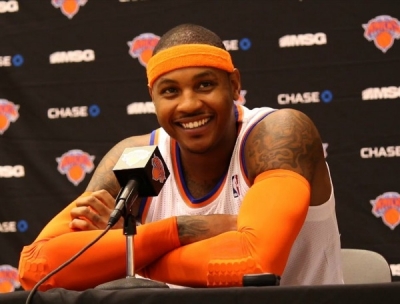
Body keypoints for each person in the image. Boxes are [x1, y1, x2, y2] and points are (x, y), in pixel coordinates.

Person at [18, 23, 343, 291]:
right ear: (153, 97)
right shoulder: (136, 156)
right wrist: (181, 230)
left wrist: (127, 252)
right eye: (170, 91)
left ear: (234, 85)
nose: (188, 105)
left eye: (204, 85)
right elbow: (38, 269)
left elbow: (254, 263)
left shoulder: (277, 134)